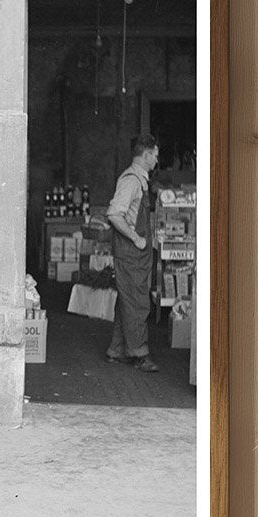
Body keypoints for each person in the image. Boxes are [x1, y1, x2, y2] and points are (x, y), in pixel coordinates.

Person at [106, 133, 160, 373]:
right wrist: (136, 238)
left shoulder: (140, 180)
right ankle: (140, 354)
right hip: (130, 253)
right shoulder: (131, 181)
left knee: (127, 300)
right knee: (137, 302)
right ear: (146, 154)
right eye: (155, 155)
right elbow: (114, 214)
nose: (157, 160)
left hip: (134, 255)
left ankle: (117, 351)